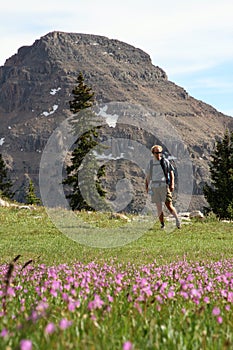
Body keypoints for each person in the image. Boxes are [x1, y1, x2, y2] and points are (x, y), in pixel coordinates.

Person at [145, 145, 181, 229]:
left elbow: (171, 173)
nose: (158, 154)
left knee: (168, 205)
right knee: (159, 207)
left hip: (164, 186)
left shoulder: (165, 162)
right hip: (155, 187)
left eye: (159, 152)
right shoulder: (150, 164)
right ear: (153, 153)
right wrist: (146, 186)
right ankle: (162, 224)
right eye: (156, 153)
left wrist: (172, 184)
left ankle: (177, 220)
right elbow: (148, 176)